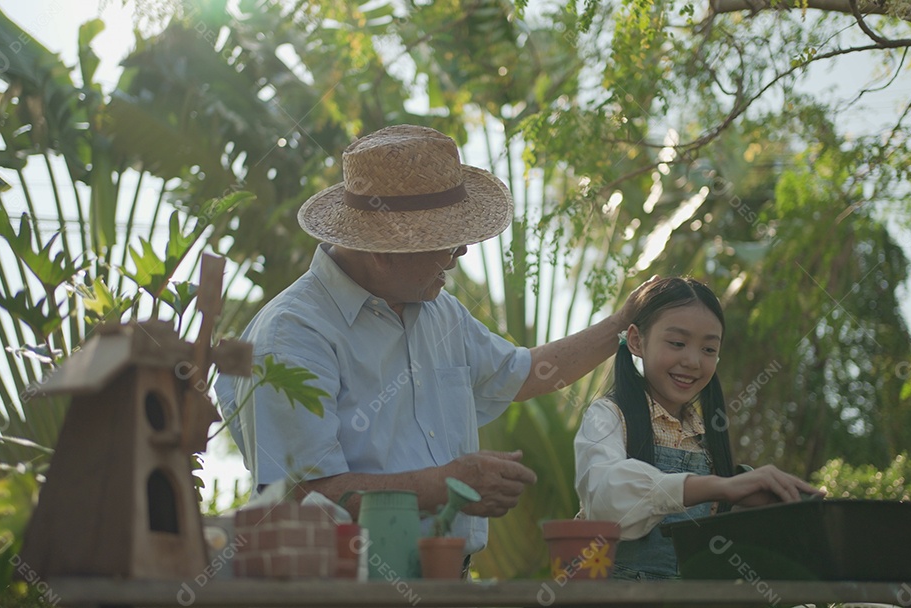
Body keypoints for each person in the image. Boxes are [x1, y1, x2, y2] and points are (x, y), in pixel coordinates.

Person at [216, 124, 656, 559]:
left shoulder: (438, 310)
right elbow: (301, 497)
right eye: (448, 245)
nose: (459, 256)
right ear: (382, 250)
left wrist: (626, 320)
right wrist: (447, 485)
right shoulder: (293, 333)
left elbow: (523, 374)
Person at [573, 277, 824, 581]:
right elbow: (605, 498)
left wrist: (754, 502)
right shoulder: (609, 416)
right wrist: (719, 486)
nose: (693, 361)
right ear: (637, 341)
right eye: (677, 343)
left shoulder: (706, 435)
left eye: (708, 349)